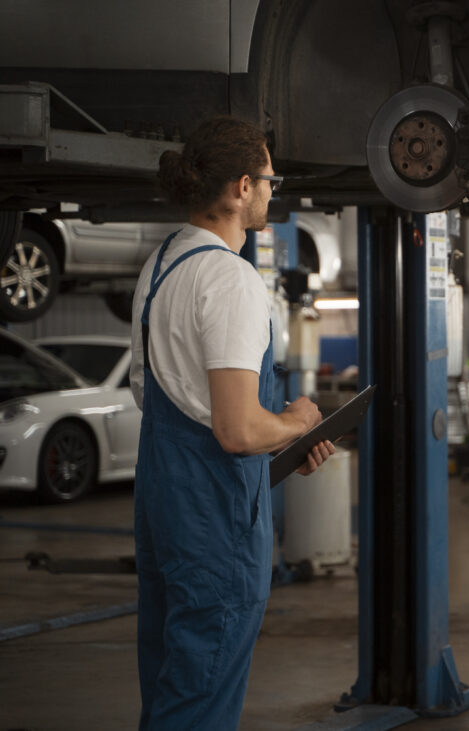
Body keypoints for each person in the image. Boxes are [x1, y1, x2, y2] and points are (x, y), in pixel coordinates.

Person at [129, 116, 334, 730]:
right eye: (270, 178)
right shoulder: (229, 279)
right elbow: (237, 431)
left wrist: (287, 445)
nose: (274, 190)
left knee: (172, 684)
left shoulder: (161, 263)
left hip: (164, 501)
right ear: (243, 187)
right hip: (214, 519)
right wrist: (296, 422)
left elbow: (162, 396)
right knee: (201, 699)